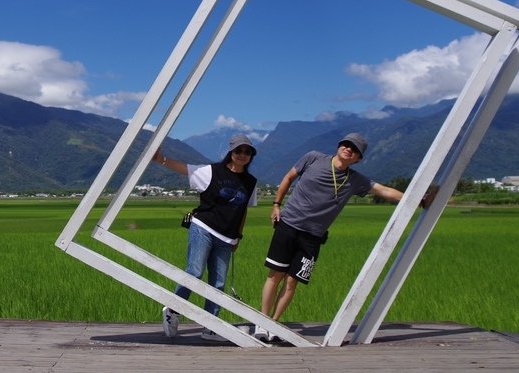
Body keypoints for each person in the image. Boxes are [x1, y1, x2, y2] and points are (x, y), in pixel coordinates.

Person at [255, 132, 430, 342]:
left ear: (358, 158)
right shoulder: (313, 158)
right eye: (347, 144)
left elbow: (384, 191)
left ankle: (274, 323)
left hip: (313, 237)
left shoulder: (355, 180)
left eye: (354, 149)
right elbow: (289, 177)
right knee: (275, 275)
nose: (349, 149)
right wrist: (276, 204)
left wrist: (419, 200)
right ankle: (262, 321)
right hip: (289, 225)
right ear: (339, 146)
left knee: (292, 282)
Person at [153, 134, 258, 341]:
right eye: (239, 151)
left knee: (218, 283)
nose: (242, 155)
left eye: (247, 152)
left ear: (251, 155)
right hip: (203, 227)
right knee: (194, 272)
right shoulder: (212, 171)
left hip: (227, 238)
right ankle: (173, 311)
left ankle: (210, 327)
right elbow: (185, 168)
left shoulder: (251, 182)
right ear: (231, 152)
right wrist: (161, 159)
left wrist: (238, 236)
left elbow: (243, 210)